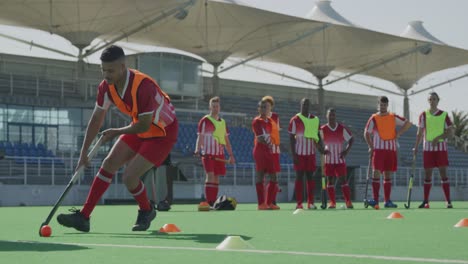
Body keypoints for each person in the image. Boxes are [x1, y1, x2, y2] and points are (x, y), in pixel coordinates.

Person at [57, 45, 178, 232]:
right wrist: (83, 154)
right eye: (103, 70)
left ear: (123, 66)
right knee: (108, 164)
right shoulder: (106, 88)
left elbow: (145, 125)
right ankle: (84, 217)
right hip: (139, 125)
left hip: (162, 133)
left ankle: (146, 210)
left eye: (110, 70)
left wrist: (115, 132)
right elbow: (96, 119)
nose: (106, 75)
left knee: (130, 177)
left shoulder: (143, 86)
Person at [364, 96, 411, 209]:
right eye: (381, 104)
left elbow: (408, 123)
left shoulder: (392, 116)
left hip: (390, 150)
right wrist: (371, 146)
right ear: (378, 105)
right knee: (376, 173)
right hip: (378, 150)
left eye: (385, 105)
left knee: (387, 175)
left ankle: (387, 201)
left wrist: (398, 133)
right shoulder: (374, 118)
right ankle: (375, 200)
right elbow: (366, 133)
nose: (383, 106)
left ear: (387, 105)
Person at [413, 92, 454, 209]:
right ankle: (426, 201)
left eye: (434, 99)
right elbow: (419, 133)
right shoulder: (423, 115)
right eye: (430, 99)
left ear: (438, 100)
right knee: (427, 176)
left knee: (443, 174)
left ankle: (448, 201)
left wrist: (439, 138)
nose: (432, 101)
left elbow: (450, 132)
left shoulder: (444, 114)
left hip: (441, 149)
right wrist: (416, 147)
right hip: (427, 149)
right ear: (428, 101)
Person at [194, 96, 235, 210]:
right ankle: (209, 202)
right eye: (213, 106)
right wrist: (197, 149)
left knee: (216, 177)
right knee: (210, 175)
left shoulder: (223, 122)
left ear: (219, 107)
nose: (215, 108)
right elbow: (200, 137)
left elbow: (226, 141)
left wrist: (231, 155)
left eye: (217, 106)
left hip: (219, 154)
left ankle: (214, 202)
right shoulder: (205, 120)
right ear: (210, 107)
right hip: (208, 154)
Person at [289, 98, 323, 209]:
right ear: (300, 105)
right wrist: (294, 155)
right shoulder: (295, 119)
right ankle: (299, 203)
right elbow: (291, 138)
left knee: (310, 177)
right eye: (303, 104)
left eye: (307, 105)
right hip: (299, 153)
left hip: (311, 153)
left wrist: (321, 149)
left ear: (310, 106)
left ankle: (310, 202)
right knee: (299, 177)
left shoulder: (315, 119)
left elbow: (317, 136)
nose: (305, 106)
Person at [320, 108, 354, 209]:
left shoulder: (341, 128)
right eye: (330, 115)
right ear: (327, 116)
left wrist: (346, 151)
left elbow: (351, 139)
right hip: (329, 159)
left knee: (343, 180)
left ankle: (348, 202)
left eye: (333, 115)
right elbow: (317, 140)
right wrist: (322, 150)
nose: (331, 117)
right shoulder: (323, 129)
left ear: (335, 116)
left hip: (339, 159)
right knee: (330, 181)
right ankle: (332, 203)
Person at [252, 100, 280, 210]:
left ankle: (269, 203)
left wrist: (273, 143)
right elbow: (260, 138)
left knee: (274, 177)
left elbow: (272, 136)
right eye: (261, 107)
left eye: (265, 107)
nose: (264, 109)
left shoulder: (270, 121)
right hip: (260, 151)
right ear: (258, 109)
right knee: (260, 176)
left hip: (268, 150)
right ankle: (261, 204)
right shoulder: (256, 121)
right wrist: (270, 143)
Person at [261, 95, 281, 203]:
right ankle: (264, 200)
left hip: (274, 149)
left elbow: (276, 132)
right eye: (264, 105)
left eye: (268, 105)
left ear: (271, 106)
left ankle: (272, 200)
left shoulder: (276, 117)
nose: (266, 107)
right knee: (264, 176)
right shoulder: (259, 118)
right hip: (263, 150)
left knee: (274, 176)